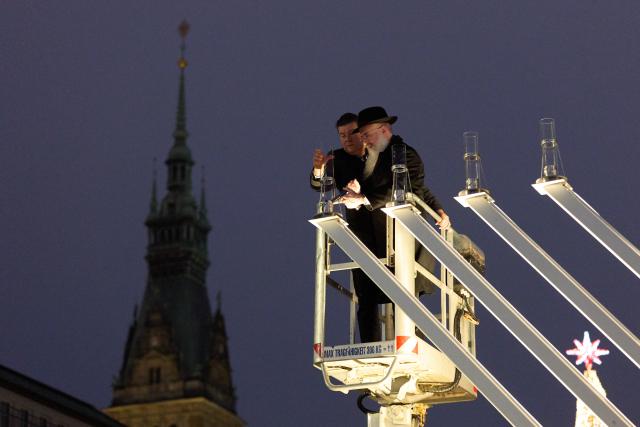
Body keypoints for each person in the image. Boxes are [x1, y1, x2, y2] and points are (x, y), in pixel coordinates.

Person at [310, 108, 449, 343]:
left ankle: (404, 341)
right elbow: (322, 183)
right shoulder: (358, 156)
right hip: (365, 237)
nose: (361, 140)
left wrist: (438, 209)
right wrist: (346, 188)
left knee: (402, 292)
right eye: (355, 135)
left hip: (398, 237)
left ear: (383, 130)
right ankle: (370, 346)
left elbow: (412, 188)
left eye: (364, 134)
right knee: (366, 296)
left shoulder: (402, 154)